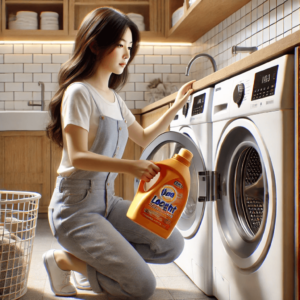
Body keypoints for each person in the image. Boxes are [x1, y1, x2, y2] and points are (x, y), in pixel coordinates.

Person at [43, 6, 196, 300]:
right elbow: (78, 156)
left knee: (171, 244)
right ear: (95, 45)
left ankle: (88, 264)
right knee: (142, 286)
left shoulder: (114, 98)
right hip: (75, 209)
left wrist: (175, 106)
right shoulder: (79, 93)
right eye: (120, 46)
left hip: (107, 202)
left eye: (129, 47)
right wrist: (132, 167)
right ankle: (65, 261)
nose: (127, 54)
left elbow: (144, 136)